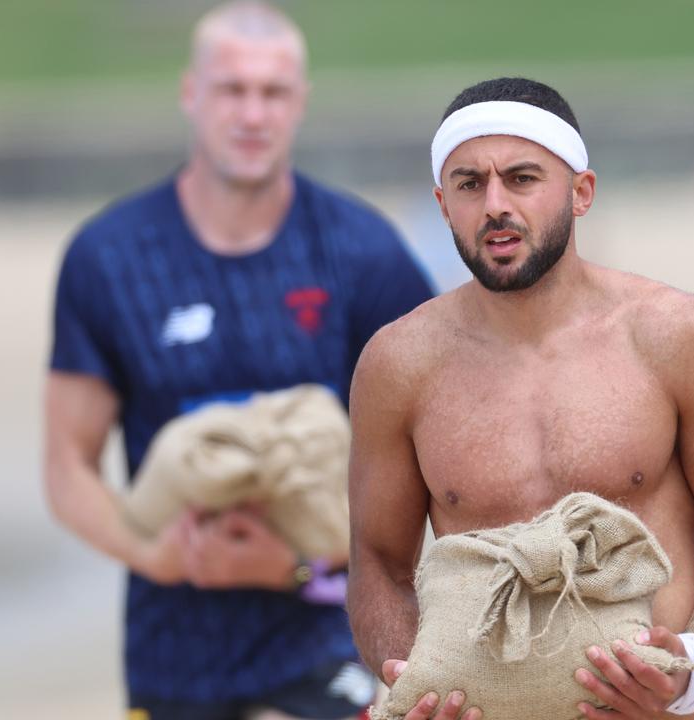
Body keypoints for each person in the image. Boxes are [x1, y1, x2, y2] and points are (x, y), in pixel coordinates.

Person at [346, 77, 694, 720]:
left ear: (581, 192)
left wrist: (693, 664)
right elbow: (377, 564)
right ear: (443, 204)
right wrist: (412, 678)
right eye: (470, 184)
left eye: (522, 178)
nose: (494, 204)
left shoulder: (676, 335)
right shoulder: (399, 364)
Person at [42, 3, 433, 718]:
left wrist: (300, 564)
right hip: (173, 646)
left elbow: (433, 457)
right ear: (192, 94)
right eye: (232, 90)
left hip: (327, 633)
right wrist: (165, 557)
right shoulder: (109, 256)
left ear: (300, 103)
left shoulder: (361, 251)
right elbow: (66, 466)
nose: (253, 113)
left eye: (273, 92)